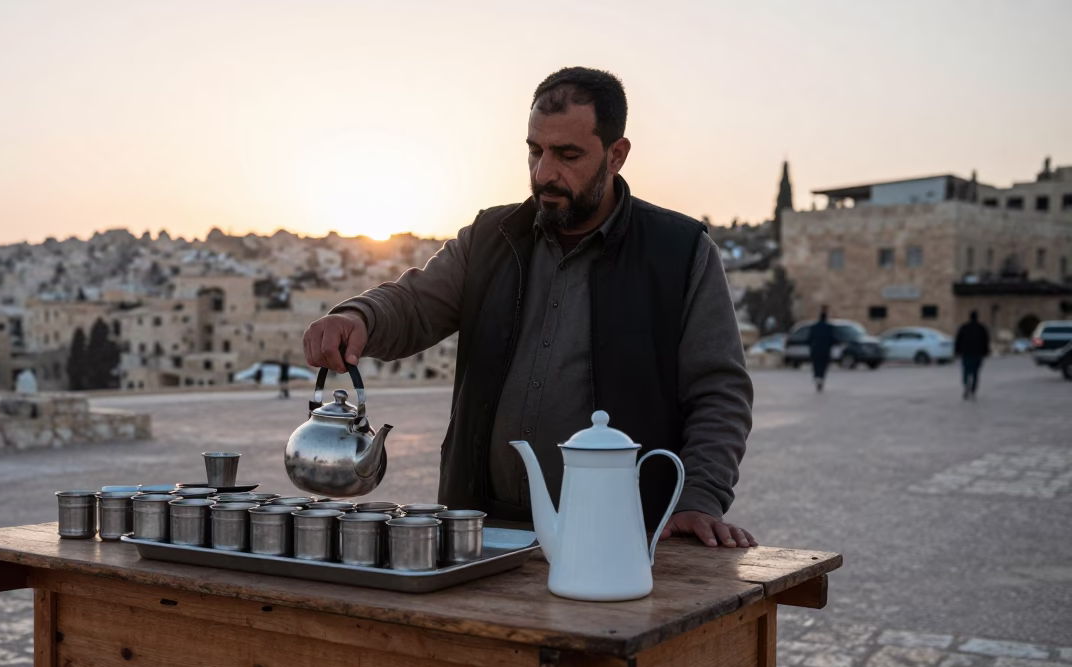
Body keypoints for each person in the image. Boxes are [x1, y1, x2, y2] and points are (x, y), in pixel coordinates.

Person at [303, 67, 756, 549]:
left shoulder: (680, 251)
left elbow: (719, 391)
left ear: (616, 155)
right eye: (535, 151)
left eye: (568, 155)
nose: (544, 173)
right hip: (481, 532)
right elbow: (414, 302)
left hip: (625, 536)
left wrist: (698, 498)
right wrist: (358, 317)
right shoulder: (490, 239)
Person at [954, 311, 990, 399]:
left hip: (966, 353)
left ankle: (966, 386)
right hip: (977, 354)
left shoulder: (964, 328)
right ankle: (973, 390)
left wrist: (957, 351)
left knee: (966, 371)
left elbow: (958, 340)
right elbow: (986, 341)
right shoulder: (981, 328)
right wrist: (986, 352)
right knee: (975, 372)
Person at [807, 310, 835, 393]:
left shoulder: (814, 327)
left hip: (815, 350)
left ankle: (817, 378)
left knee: (816, 365)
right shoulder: (829, 328)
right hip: (825, 350)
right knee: (823, 366)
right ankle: (821, 379)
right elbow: (832, 339)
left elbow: (809, 339)